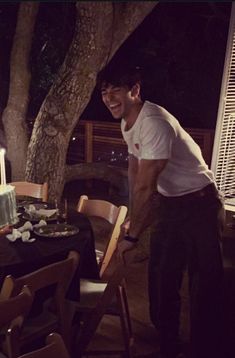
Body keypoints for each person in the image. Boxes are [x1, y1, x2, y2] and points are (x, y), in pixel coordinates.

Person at [96, 63, 225, 358]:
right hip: (171, 203)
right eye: (104, 91)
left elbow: (146, 187)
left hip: (200, 203)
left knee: (204, 282)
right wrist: (131, 216)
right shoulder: (126, 123)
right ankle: (168, 342)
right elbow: (133, 170)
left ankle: (206, 348)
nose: (109, 98)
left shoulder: (154, 122)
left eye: (116, 89)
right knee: (162, 275)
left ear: (135, 91)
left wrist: (131, 238)